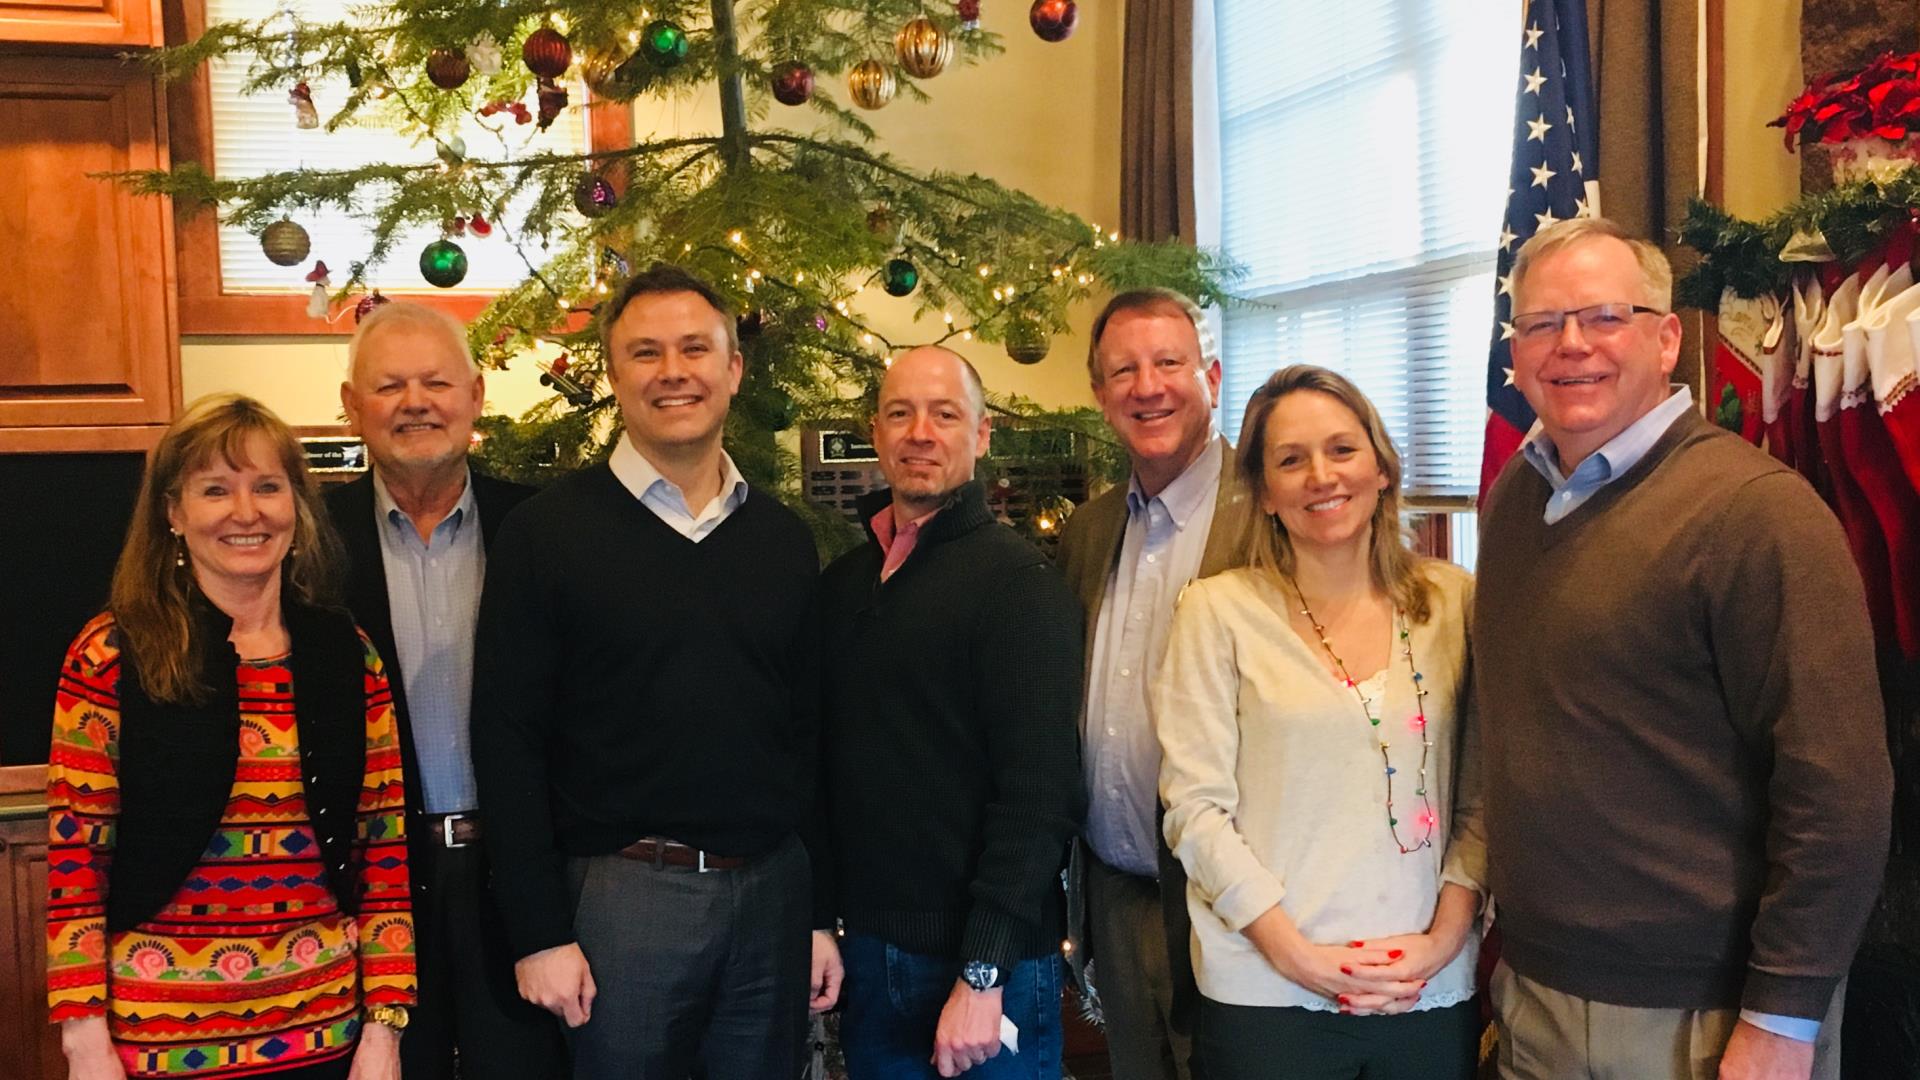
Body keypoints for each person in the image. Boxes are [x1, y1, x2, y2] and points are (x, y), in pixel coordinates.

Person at [1477, 216, 1892, 1080]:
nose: (1571, 346)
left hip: (1702, 1015)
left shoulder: (1756, 514)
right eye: (1541, 325)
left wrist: (1783, 1018)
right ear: (1515, 354)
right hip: (1536, 990)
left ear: (1666, 339)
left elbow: (1840, 792)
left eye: (1603, 316)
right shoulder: (1516, 498)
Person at [472, 264, 835, 1078]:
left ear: (733, 369)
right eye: (645, 352)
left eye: (695, 349)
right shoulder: (547, 533)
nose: (673, 372)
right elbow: (507, 738)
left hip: (772, 895)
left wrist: (819, 914)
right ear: (613, 373)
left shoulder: (780, 539)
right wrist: (537, 930)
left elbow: (806, 732)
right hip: (623, 900)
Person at [45, 393, 415, 1080]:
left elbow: (383, 852)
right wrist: (83, 1038)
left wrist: (384, 1029)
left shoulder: (347, 654)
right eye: (216, 489)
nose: (246, 513)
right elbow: (76, 864)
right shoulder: (111, 656)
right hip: (156, 1043)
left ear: (297, 508)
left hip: (324, 1038)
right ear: (174, 514)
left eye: (267, 487)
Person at [1153, 365, 1486, 1080]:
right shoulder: (1216, 612)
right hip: (1267, 994)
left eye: (1341, 449)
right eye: (1290, 460)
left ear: (1382, 466)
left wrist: (1445, 939)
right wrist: (1296, 956)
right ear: (1265, 492)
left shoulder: (1456, 603)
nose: (1320, 476)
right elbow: (1196, 810)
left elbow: (1483, 798)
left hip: (1425, 988)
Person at [817, 346, 1086, 1079]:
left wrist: (982, 971)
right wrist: (818, 918)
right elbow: (822, 765)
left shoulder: (1018, 585)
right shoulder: (845, 586)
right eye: (900, 414)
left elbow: (1039, 795)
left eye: (944, 414)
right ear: (875, 431)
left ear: (982, 434)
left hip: (988, 974)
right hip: (870, 961)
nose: (920, 433)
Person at [329, 302, 560, 1080]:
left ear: (476, 394)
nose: (416, 402)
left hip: (522, 876)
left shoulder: (542, 528)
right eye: (389, 385)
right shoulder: (309, 545)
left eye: (435, 381)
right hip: (376, 891)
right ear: (351, 406)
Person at [1056, 287, 1251, 1080]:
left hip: (1232, 905)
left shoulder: (1271, 513)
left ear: (1209, 374)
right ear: (1102, 398)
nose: (1148, 386)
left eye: (1169, 363)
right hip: (1113, 892)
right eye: (1123, 371)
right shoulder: (1089, 530)